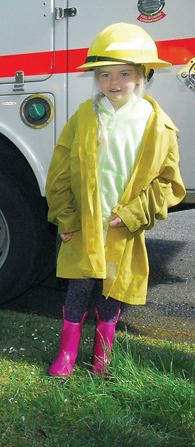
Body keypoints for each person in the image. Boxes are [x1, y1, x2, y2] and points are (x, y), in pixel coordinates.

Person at [45, 22, 185, 378]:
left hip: (122, 229)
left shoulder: (157, 125)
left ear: (142, 75)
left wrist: (136, 213)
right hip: (85, 227)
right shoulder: (83, 118)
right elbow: (60, 173)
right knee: (78, 289)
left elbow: (169, 184)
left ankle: (101, 359)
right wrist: (67, 219)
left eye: (124, 73)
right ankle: (67, 354)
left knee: (113, 293)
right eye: (104, 74)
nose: (114, 82)